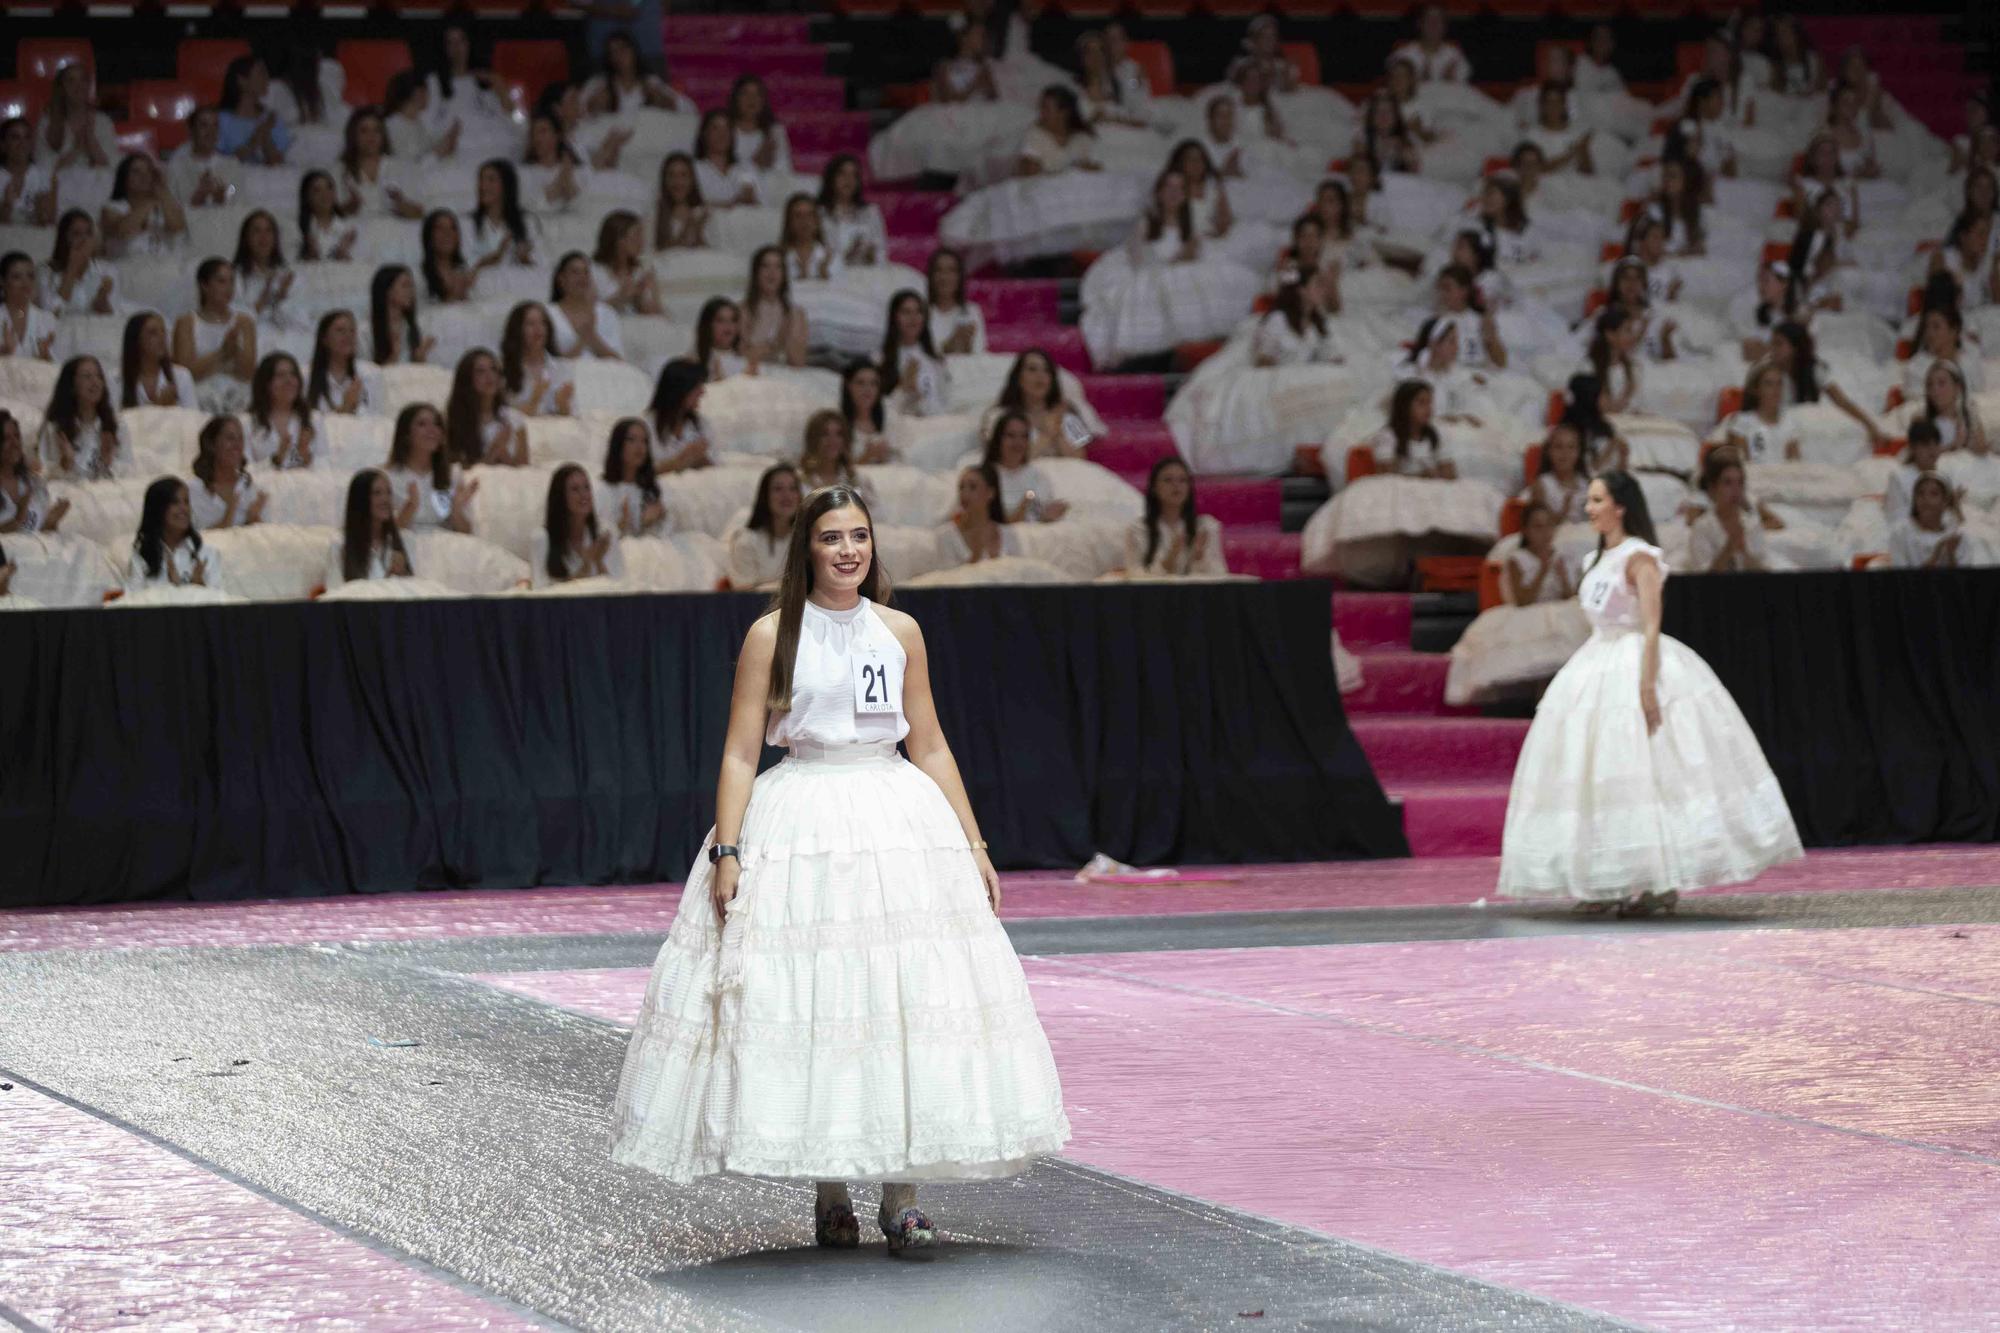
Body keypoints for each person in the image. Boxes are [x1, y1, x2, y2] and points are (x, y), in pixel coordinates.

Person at [607, 483, 1070, 1245]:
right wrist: (728, 850)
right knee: (820, 999)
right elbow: (738, 749)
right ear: (807, 548)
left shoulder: (900, 629)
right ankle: (829, 1190)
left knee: (904, 996)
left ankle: (902, 1196)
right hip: (803, 818)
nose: (848, 549)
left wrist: (974, 843)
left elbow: (929, 742)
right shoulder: (771, 634)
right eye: (832, 537)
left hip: (897, 819)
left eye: (859, 535)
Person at [1496, 471, 1802, 914]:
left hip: (1635, 657)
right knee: (1600, 772)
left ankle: (1659, 882)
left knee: (1650, 769)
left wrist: (1646, 683)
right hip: (1595, 662)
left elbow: (1652, 622)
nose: (1589, 508)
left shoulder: (1640, 557)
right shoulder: (1592, 561)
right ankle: (1609, 881)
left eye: (1597, 500)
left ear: (1620, 506)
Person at [384, 402, 476, 532]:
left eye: (437, 424)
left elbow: (466, 533)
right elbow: (385, 534)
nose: (432, 430)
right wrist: (410, 507)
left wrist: (456, 509)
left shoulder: (453, 474)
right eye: (422, 424)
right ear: (406, 434)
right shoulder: (386, 477)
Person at [1124, 458, 1225, 577]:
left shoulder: (1205, 526)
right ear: (1154, 488)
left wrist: (1199, 558)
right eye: (1168, 480)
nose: (1176, 485)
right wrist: (1168, 562)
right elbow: (1134, 577)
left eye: (1183, 480)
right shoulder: (1138, 529)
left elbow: (1220, 576)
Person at [532, 463, 624, 588]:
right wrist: (586, 566)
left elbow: (621, 587)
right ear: (560, 497)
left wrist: (598, 562)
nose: (584, 495)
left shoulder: (606, 532)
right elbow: (540, 593)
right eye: (575, 489)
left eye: (587, 488)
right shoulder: (541, 538)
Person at [39, 355, 130, 481]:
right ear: (71, 385)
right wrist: (65, 464)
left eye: (99, 376)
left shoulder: (116, 424)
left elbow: (129, 469)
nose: (95, 382)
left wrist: (107, 462)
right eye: (87, 376)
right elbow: (44, 474)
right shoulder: (55, 428)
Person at [126, 477, 222, 590]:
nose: (184, 509)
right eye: (175, 502)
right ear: (157, 510)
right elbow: (133, 601)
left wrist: (198, 586)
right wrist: (173, 589)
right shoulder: (141, 556)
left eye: (186, 502)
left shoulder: (207, 554)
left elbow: (220, 603)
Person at [329, 468, 414, 586]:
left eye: (388, 492)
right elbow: (334, 595)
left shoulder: (401, 540)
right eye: (377, 493)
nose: (386, 499)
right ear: (360, 500)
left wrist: (402, 574)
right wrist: (388, 577)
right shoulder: (340, 544)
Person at [1686, 448, 1767, 573]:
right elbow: (1703, 582)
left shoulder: (1752, 523)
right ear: (1713, 488)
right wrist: (1729, 549)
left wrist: (1744, 551)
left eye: (1740, 483)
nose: (1736, 490)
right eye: (1727, 483)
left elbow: (1763, 573)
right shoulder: (1702, 528)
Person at [981, 411, 1067, 522]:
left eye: (1024, 436)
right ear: (998, 440)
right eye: (1011, 436)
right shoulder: (982, 477)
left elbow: (1042, 518)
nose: (1018, 442)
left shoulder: (1038, 477)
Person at [727, 462, 801, 589]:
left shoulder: (808, 539)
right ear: (765, 496)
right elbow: (743, 595)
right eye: (778, 489)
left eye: (792, 488)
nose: (787, 495)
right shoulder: (746, 541)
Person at [878, 291, 950, 417]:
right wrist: (903, 388)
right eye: (906, 312)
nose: (913, 318)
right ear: (894, 318)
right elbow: (880, 411)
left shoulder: (935, 360)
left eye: (918, 312)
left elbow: (943, 406)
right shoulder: (879, 359)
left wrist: (919, 398)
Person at [188, 414, 267, 530]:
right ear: (212, 444)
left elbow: (264, 538)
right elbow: (194, 540)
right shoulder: (192, 490)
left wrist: (254, 520)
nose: (237, 445)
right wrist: (230, 512)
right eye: (230, 438)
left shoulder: (251, 488)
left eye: (240, 439)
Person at [500, 302, 575, 416]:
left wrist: (563, 404)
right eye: (530, 324)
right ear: (517, 330)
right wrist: (534, 400)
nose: (538, 329)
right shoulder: (502, 368)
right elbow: (502, 414)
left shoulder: (561, 366)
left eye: (543, 323)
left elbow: (568, 416)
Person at [0, 410, 68, 534]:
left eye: (16, 436)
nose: (14, 443)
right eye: (6, 439)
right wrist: (18, 518)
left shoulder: (31, 482)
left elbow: (37, 533)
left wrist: (51, 521)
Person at [549, 250, 625, 360]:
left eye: (586, 272)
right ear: (561, 279)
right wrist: (582, 341)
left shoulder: (606, 312)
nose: (582, 278)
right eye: (575, 272)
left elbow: (619, 360)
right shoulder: (548, 314)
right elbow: (547, 364)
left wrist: (593, 338)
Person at [41, 209, 118, 317]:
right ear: (64, 239)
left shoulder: (108, 270)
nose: (84, 239)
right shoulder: (46, 272)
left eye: (89, 233)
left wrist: (102, 300)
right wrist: (72, 269)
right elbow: (50, 315)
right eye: (76, 234)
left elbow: (113, 317)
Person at [599, 418, 667, 538]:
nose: (639, 446)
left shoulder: (652, 488)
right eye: (631, 440)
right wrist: (621, 526)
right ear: (618, 445)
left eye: (644, 441)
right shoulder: (603, 490)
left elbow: (663, 537)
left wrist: (650, 523)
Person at [247, 352, 316, 470]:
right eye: (280, 375)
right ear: (265, 383)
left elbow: (327, 469)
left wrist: (306, 455)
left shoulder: (314, 419)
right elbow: (243, 469)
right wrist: (276, 460)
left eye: (293, 375)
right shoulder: (246, 422)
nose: (289, 380)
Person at [648, 358, 713, 471]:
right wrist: (678, 462)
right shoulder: (644, 426)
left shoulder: (702, 424)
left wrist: (702, 459)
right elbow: (635, 473)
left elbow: (717, 468)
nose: (702, 392)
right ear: (679, 390)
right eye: (697, 387)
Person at [308, 310, 373, 415]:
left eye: (352, 331)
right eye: (340, 331)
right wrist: (344, 409)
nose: (348, 336)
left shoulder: (369, 373)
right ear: (324, 339)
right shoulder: (306, 376)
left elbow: (377, 418)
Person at [1, 251, 59, 360]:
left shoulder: (47, 319)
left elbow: (60, 368)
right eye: (17, 277)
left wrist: (45, 356)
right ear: (2, 281)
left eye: (30, 276)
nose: (25, 282)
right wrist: (3, 353)